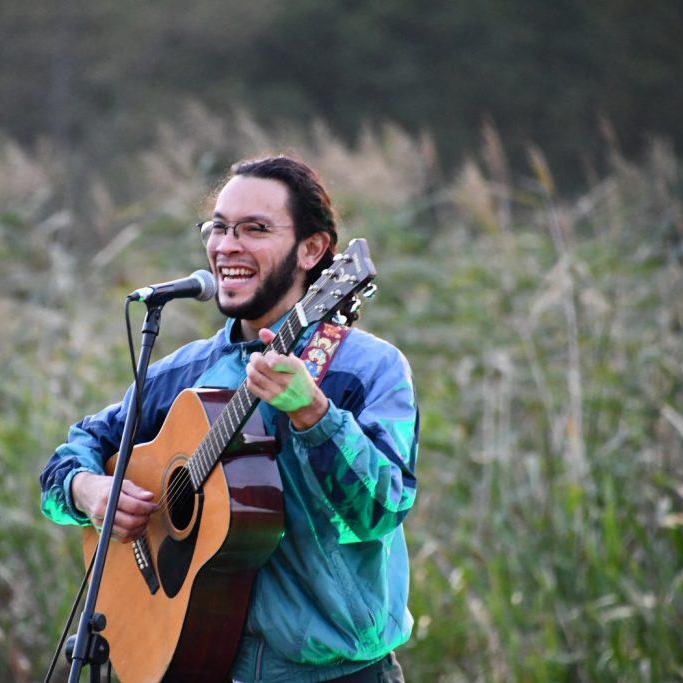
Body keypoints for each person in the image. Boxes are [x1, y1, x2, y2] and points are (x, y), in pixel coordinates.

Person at [40, 155, 418, 682]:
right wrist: (88, 491)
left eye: (254, 229)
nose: (226, 246)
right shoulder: (185, 372)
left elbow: (380, 511)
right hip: (199, 665)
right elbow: (69, 456)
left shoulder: (365, 368)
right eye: (218, 228)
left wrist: (315, 416)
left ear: (313, 250)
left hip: (338, 674)